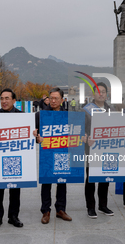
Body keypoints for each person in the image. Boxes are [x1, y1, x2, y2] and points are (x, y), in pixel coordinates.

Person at [34, 87, 72, 224]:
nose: (53, 100)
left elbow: (74, 134)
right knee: (46, 182)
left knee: (62, 182)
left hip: (62, 152)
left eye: (56, 98)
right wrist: (37, 138)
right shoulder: (41, 115)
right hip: (47, 154)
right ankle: (46, 211)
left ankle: (61, 209)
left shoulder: (68, 115)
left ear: (62, 100)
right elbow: (35, 133)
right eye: (51, 98)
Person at [0, 88, 24, 230]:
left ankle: (13, 217)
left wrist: (33, 133)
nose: (4, 101)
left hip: (15, 157)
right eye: (2, 98)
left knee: (15, 190)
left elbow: (29, 136)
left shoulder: (22, 116)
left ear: (14, 101)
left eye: (7, 98)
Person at [82, 82, 114, 218]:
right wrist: (84, 138)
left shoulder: (111, 109)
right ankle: (90, 207)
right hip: (92, 149)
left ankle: (103, 205)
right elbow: (81, 129)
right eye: (98, 91)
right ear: (93, 94)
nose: (101, 94)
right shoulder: (86, 110)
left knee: (105, 178)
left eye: (103, 91)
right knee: (91, 179)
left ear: (107, 94)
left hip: (108, 149)